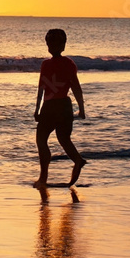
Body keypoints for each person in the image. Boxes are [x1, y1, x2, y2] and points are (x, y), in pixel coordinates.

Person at [33, 29, 87, 188]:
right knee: (64, 139)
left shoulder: (46, 64)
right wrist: (81, 109)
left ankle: (43, 178)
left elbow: (41, 89)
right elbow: (76, 87)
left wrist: (37, 109)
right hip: (64, 105)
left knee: (42, 140)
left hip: (50, 107)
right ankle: (77, 160)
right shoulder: (69, 63)